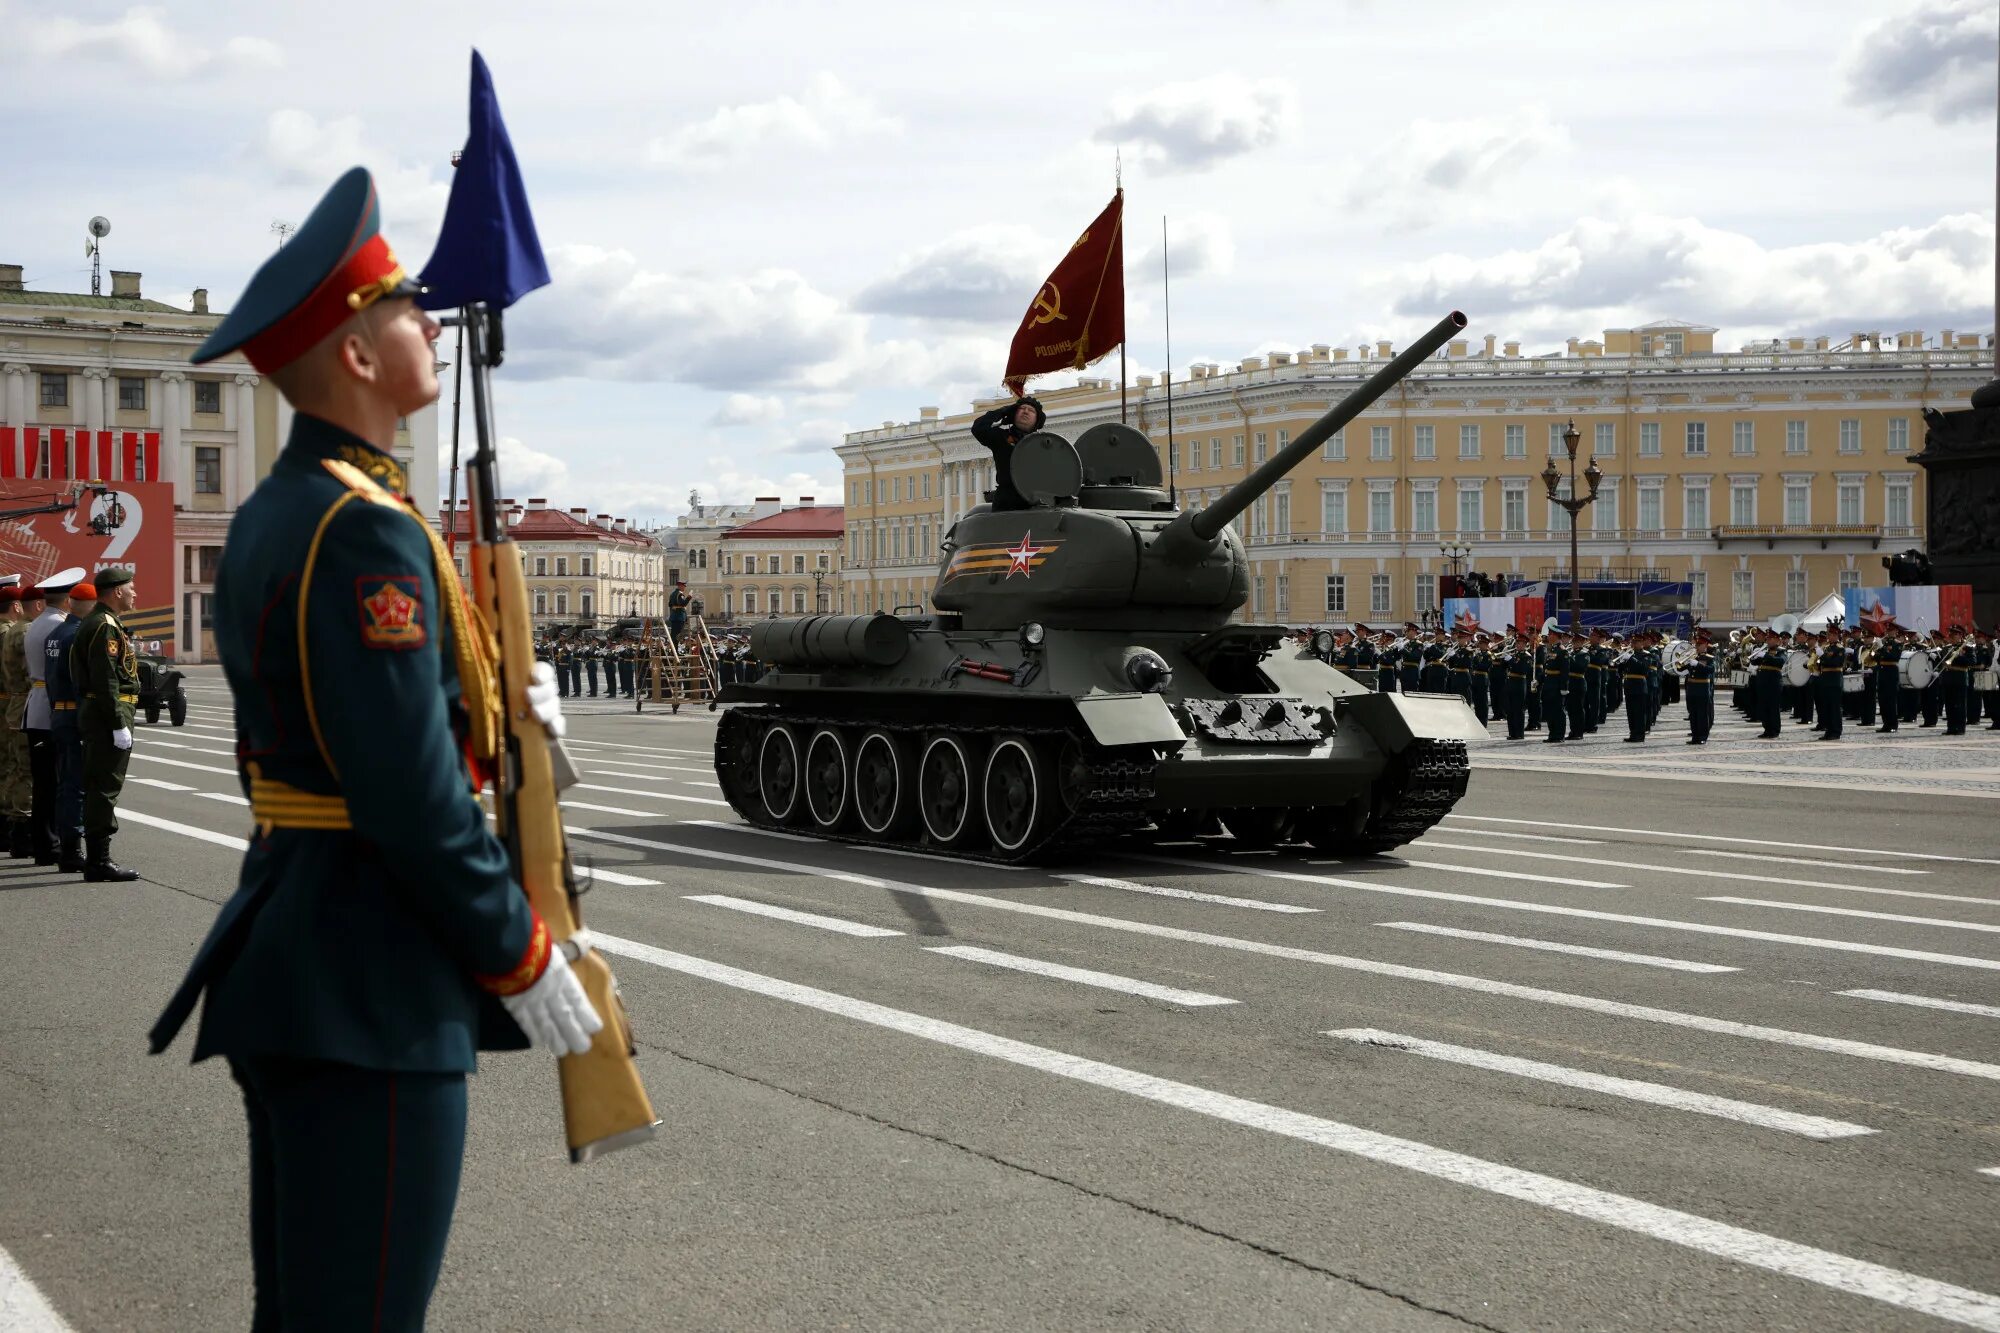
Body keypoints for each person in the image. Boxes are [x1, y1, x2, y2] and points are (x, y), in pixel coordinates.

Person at [146, 167, 600, 1331]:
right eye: (404, 307)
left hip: (308, 958)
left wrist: (501, 697)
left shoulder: (294, 509)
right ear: (354, 353)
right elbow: (405, 795)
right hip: (369, 982)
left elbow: (351, 728)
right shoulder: (364, 532)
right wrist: (520, 949)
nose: (431, 325)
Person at [67, 566, 140, 880]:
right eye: (131, 588)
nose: (135, 594)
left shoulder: (99, 622)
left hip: (103, 712)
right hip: (108, 713)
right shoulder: (104, 625)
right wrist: (116, 723)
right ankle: (99, 861)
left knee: (101, 785)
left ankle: (98, 858)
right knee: (104, 787)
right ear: (117, 591)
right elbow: (105, 678)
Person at [24, 570, 82, 866]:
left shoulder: (37, 623)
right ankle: (50, 843)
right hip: (50, 706)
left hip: (35, 704)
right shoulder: (58, 628)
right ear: (69, 600)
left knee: (43, 781)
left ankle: (43, 842)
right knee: (53, 781)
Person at [44, 578, 89, 872]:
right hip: (74, 716)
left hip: (58, 712)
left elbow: (50, 679)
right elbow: (79, 683)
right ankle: (72, 850)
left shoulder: (56, 632)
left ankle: (66, 845)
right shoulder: (76, 634)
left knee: (64, 785)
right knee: (76, 786)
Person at [969, 396, 1046, 511]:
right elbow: (979, 428)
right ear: (1013, 415)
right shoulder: (1002, 438)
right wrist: (1003, 411)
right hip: (1007, 503)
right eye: (1021, 408)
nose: (1026, 411)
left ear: (1037, 419)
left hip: (1036, 502)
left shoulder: (1043, 444)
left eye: (1031, 410)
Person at [0, 580, 30, 857]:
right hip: (9, 701)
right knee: (14, 765)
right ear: (16, 605)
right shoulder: (10, 633)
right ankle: (12, 826)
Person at [1683, 631, 1716, 744]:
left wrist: (1697, 664)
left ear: (1705, 645)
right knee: (1693, 714)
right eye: (1696, 645)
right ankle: (1695, 736)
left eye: (1699, 645)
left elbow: (1710, 670)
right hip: (1692, 689)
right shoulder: (1692, 657)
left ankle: (1702, 737)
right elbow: (1681, 668)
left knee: (1702, 714)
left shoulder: (1709, 658)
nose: (1696, 647)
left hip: (1702, 689)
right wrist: (1683, 661)